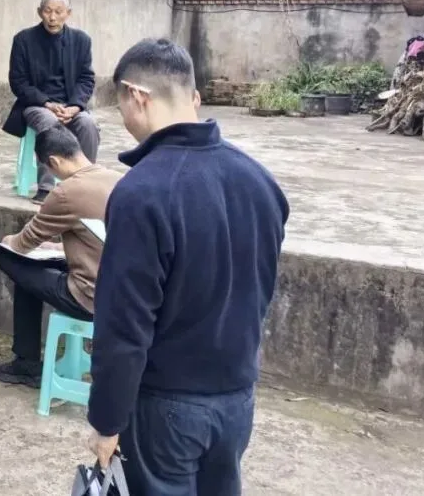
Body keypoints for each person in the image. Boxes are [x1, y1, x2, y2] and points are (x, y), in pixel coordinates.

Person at [86, 39, 288, 496]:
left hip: (167, 407)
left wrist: (107, 420)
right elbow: (259, 288)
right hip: (237, 401)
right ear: (192, 96)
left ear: (137, 95)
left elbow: (124, 327)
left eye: (120, 105)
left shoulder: (141, 193)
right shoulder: (260, 182)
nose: (123, 119)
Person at [0, 126, 121, 387]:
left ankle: (27, 364)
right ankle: (25, 362)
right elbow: (100, 239)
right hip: (122, 293)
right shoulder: (116, 179)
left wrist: (6, 241)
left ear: (53, 162)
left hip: (89, 298)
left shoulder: (65, 193)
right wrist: (56, 249)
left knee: (5, 257)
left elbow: (23, 243)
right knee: (30, 275)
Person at [3, 0, 100, 204]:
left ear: (68, 13)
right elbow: (18, 81)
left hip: (70, 105)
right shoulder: (23, 40)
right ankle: (47, 188)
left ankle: (85, 184)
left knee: (88, 124)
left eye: (58, 11)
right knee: (50, 122)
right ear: (40, 12)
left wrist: (75, 106)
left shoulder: (81, 41)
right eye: (47, 11)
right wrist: (47, 103)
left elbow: (86, 78)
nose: (52, 17)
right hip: (37, 105)